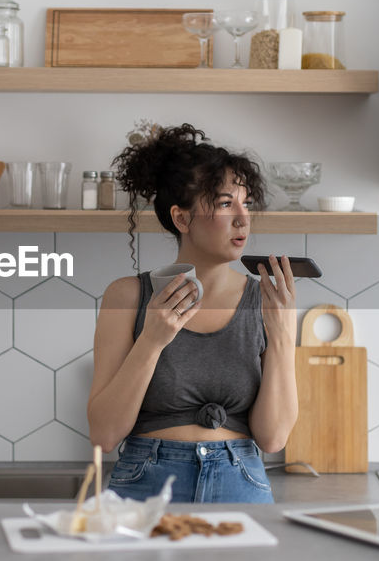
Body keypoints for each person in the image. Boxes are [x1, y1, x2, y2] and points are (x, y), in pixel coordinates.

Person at [86, 123, 298, 503]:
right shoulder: (128, 296)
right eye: (223, 203)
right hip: (145, 485)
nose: (243, 218)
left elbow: (274, 438)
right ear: (182, 219)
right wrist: (151, 341)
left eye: (246, 203)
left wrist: (282, 335)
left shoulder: (265, 300)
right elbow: (103, 434)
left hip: (241, 484)